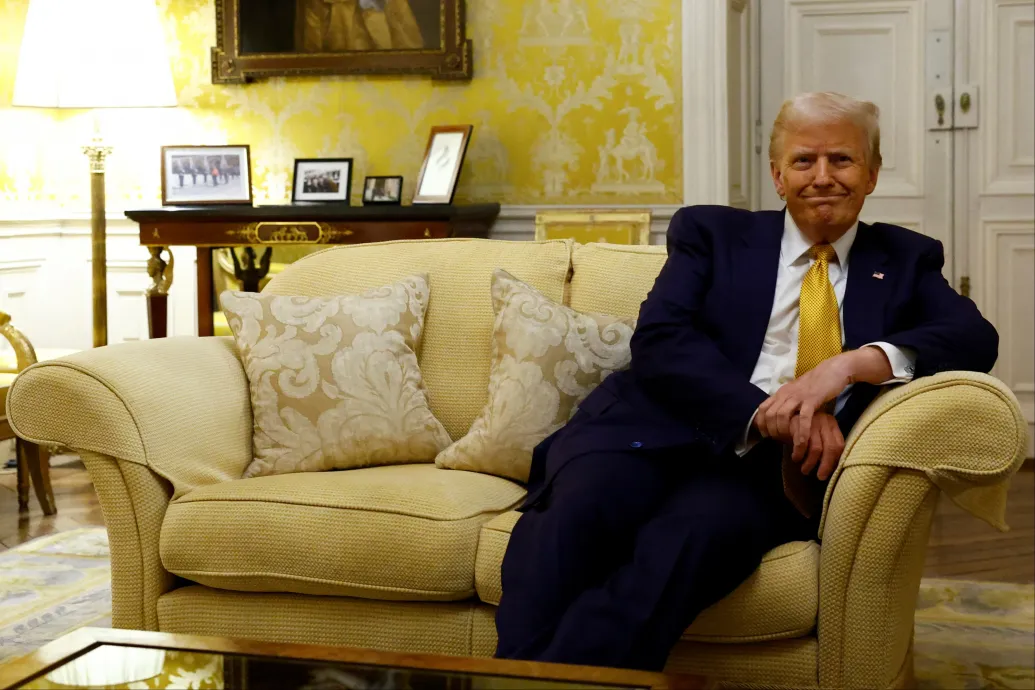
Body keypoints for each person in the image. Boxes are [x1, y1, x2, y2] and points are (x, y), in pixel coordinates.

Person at [494, 92, 999, 672]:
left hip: (767, 472)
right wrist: (763, 412)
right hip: (648, 433)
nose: (823, 176)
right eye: (804, 160)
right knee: (575, 518)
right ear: (778, 176)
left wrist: (848, 365)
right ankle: (510, 677)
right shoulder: (712, 233)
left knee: (686, 544)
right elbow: (660, 339)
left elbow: (975, 338)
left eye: (842, 159)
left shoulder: (905, 258)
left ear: (872, 174)